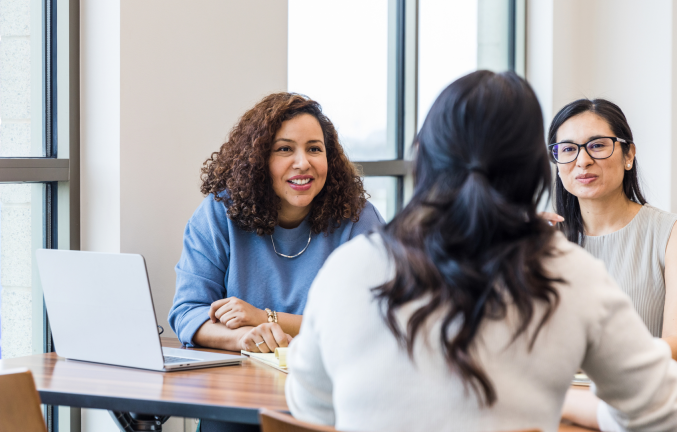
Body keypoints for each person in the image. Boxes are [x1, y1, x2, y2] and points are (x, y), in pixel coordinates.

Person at [285, 71, 677, 432]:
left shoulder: (348, 268)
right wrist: (579, 405)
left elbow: (310, 411)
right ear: (539, 168)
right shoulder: (568, 273)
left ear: (424, 158)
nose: (583, 160)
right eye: (568, 149)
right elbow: (662, 409)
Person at [168, 92, 384, 353]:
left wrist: (264, 318)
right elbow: (188, 312)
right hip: (237, 382)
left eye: (314, 149)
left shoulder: (358, 219)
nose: (303, 163)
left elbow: (373, 321)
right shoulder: (218, 214)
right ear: (258, 159)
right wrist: (243, 337)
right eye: (285, 149)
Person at [545, 99, 677, 430]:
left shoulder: (668, 233)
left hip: (638, 408)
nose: (583, 161)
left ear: (629, 154)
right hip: (562, 407)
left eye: (598, 145)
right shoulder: (544, 242)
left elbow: (673, 346)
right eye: (568, 150)